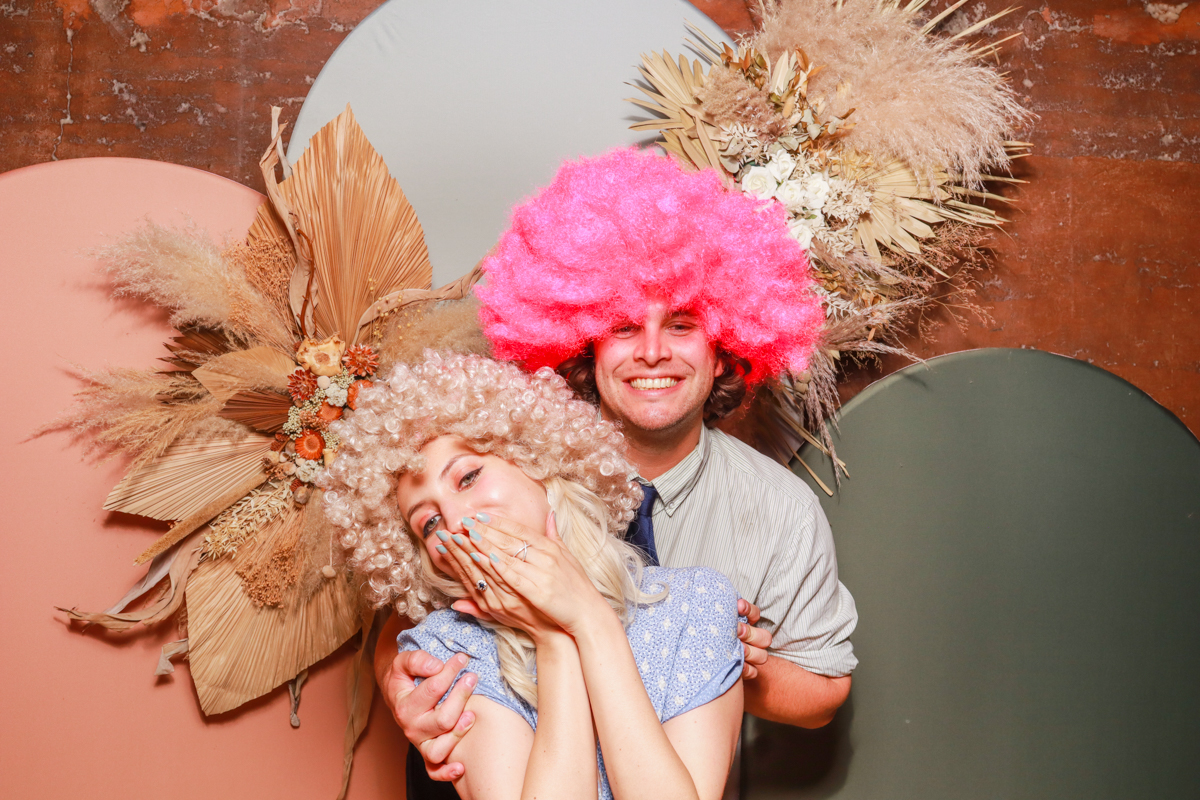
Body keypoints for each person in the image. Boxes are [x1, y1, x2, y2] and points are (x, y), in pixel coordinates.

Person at [377, 148, 858, 789]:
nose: (653, 351)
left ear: (723, 352)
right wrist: (398, 681)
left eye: (682, 325)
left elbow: (825, 691)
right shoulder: (508, 471)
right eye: (625, 327)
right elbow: (415, 613)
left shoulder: (779, 508)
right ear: (585, 343)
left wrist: (714, 655)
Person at [323, 352, 745, 800]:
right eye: (428, 523)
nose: (457, 521)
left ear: (537, 459)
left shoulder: (698, 604)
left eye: (467, 478)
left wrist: (589, 619)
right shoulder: (450, 651)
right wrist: (554, 639)